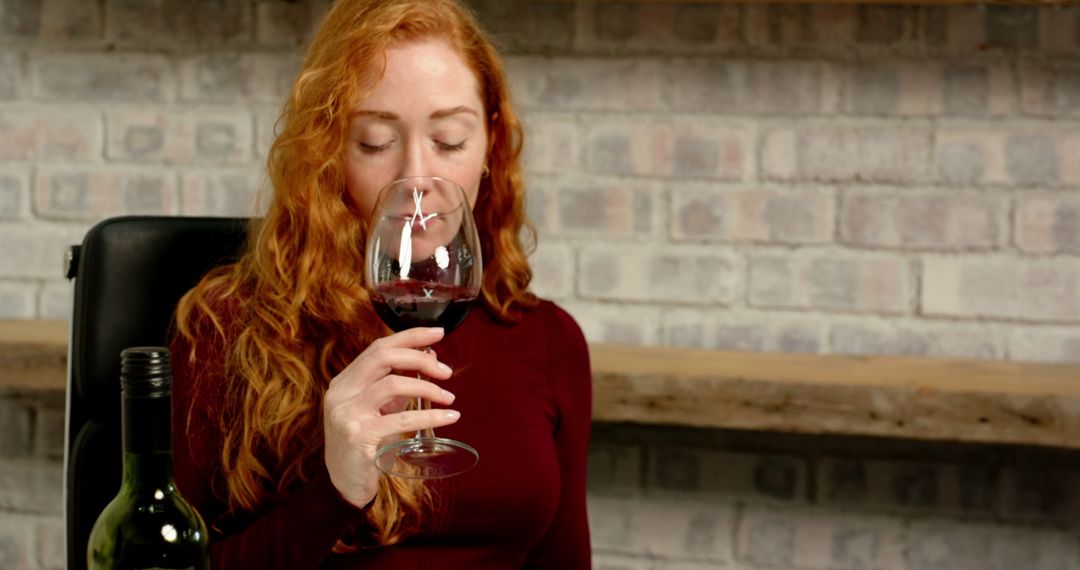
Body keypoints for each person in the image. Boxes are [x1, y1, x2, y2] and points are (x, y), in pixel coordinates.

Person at [168, 0, 592, 568]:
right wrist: (332, 491)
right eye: (373, 141)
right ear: (328, 153)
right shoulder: (225, 327)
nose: (417, 180)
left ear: (490, 143)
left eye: (449, 140)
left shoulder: (550, 340)